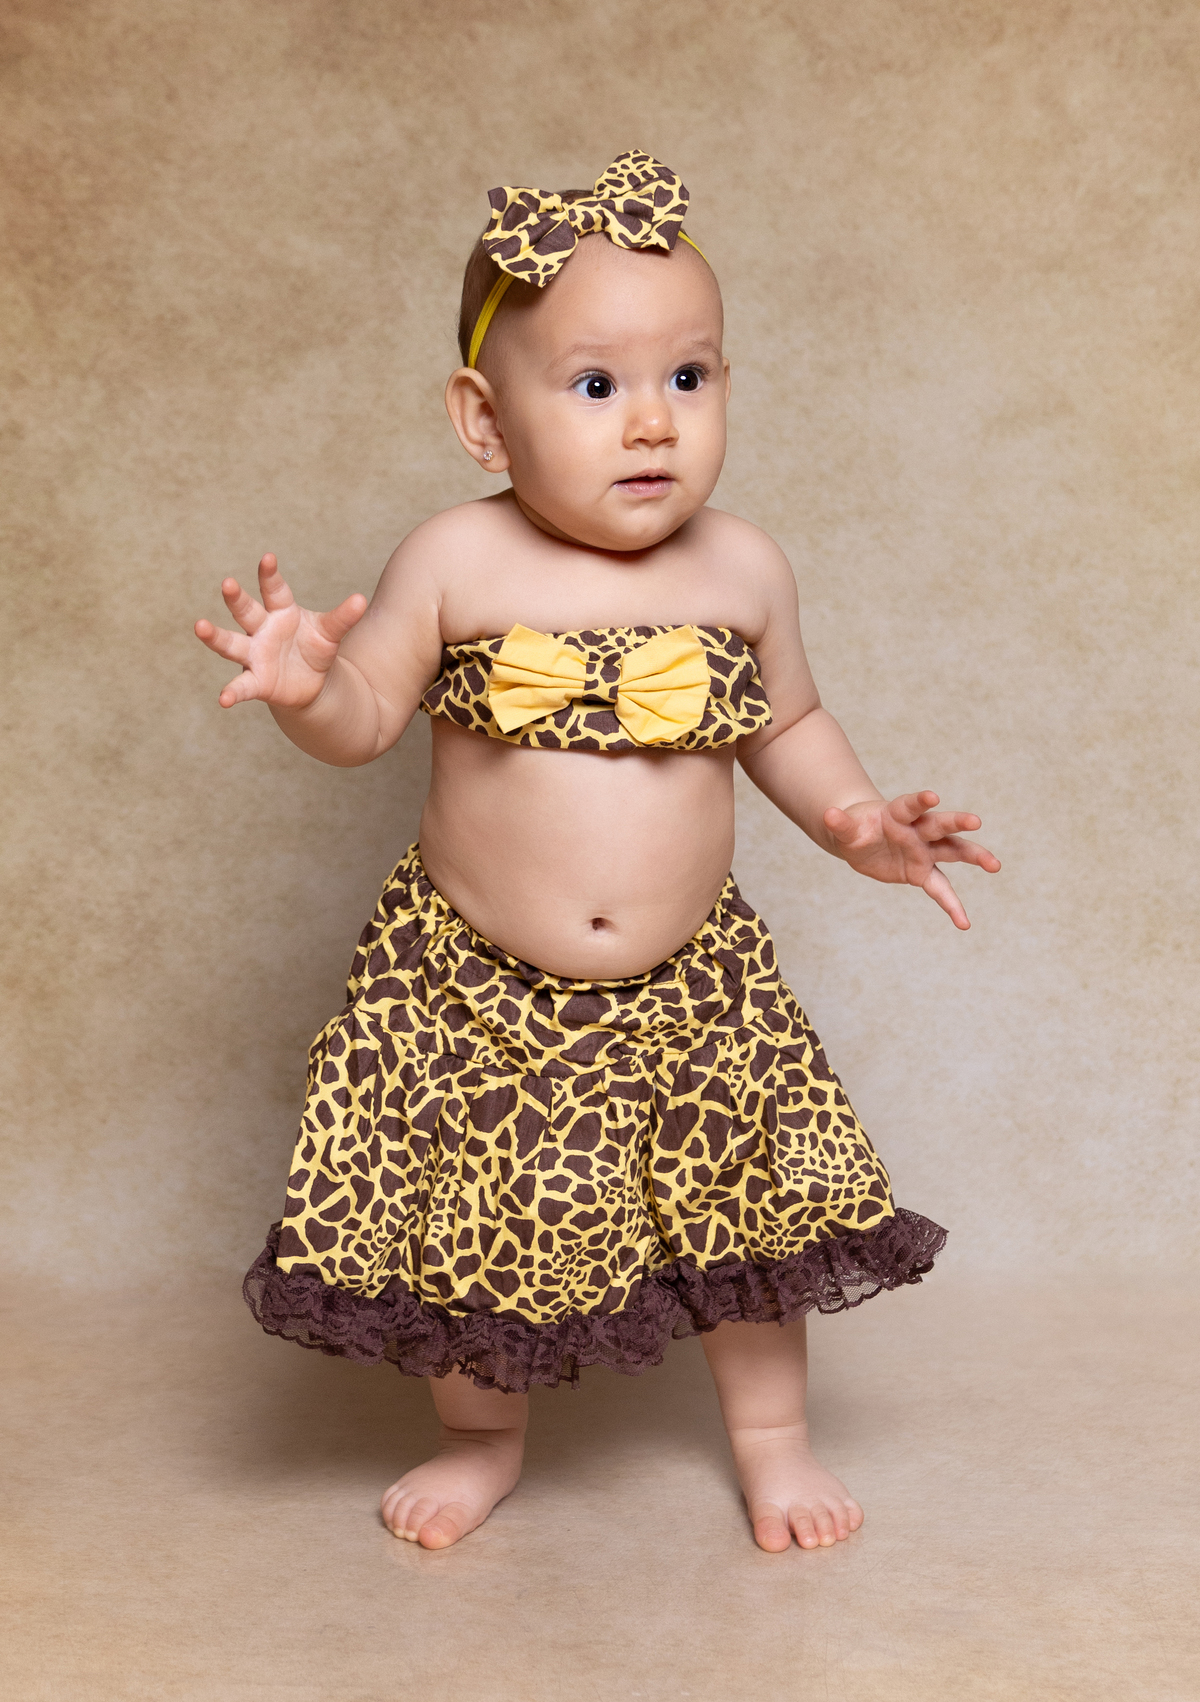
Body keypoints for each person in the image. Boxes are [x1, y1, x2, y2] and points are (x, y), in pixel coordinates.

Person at [195, 150, 999, 1555]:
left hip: (695, 988)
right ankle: (480, 1439)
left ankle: (773, 1441)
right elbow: (367, 719)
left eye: (690, 377)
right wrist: (309, 690)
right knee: (471, 1226)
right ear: (484, 420)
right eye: (594, 385)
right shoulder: (454, 561)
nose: (653, 422)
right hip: (473, 989)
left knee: (750, 1207)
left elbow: (789, 723)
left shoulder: (742, 569)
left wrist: (859, 822)